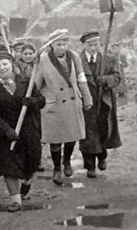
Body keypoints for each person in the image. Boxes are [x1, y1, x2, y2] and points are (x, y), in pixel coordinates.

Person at [0, 51, 45, 211]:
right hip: (4, 135)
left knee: (31, 164)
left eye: (5, 64)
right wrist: (6, 131)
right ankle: (15, 201)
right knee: (9, 167)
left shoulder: (27, 82)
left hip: (28, 131)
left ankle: (26, 183)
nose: (2, 68)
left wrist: (32, 101)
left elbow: (41, 101)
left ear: (12, 65)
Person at [35, 29, 92, 185]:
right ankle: (57, 168)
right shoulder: (43, 59)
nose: (61, 47)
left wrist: (87, 98)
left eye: (64, 44)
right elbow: (36, 85)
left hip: (72, 103)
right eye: (58, 44)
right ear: (51, 45)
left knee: (71, 136)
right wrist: (36, 101)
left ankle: (66, 161)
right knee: (54, 140)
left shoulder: (74, 57)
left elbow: (81, 79)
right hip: (53, 105)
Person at [78, 31, 122, 178]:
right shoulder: (77, 60)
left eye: (95, 44)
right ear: (84, 45)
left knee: (103, 131)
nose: (93, 47)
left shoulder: (108, 59)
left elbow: (117, 77)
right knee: (87, 134)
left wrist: (106, 80)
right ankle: (89, 165)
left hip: (104, 102)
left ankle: (102, 157)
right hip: (85, 102)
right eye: (89, 44)